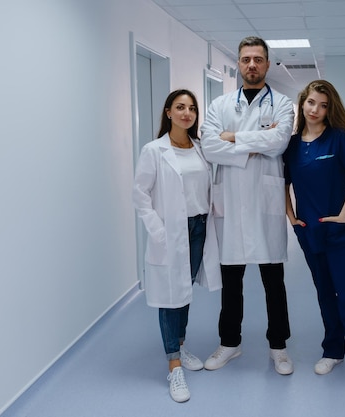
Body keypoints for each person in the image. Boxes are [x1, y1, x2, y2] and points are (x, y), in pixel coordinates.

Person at [200, 36, 295, 375]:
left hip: (265, 201)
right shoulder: (219, 105)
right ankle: (230, 343)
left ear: (268, 64)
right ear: (238, 64)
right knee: (232, 282)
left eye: (258, 59)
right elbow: (210, 147)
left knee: (274, 281)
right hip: (231, 202)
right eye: (245, 59)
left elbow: (280, 140)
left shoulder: (283, 104)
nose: (251, 65)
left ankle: (278, 347)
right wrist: (255, 143)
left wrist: (233, 137)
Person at [283, 80, 345, 401]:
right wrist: (290, 215)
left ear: (330, 109)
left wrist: (343, 214)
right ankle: (333, 350)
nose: (316, 110)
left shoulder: (339, 139)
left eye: (323, 105)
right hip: (310, 233)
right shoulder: (293, 144)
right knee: (325, 295)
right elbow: (282, 180)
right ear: (303, 103)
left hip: (341, 235)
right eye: (311, 102)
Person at [132, 89, 222, 403]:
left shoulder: (199, 148)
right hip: (172, 229)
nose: (187, 113)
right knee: (170, 296)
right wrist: (158, 230)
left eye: (192, 108)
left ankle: (180, 346)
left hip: (198, 228)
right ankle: (173, 366)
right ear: (168, 112)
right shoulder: (154, 150)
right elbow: (140, 195)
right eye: (180, 107)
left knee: (183, 290)